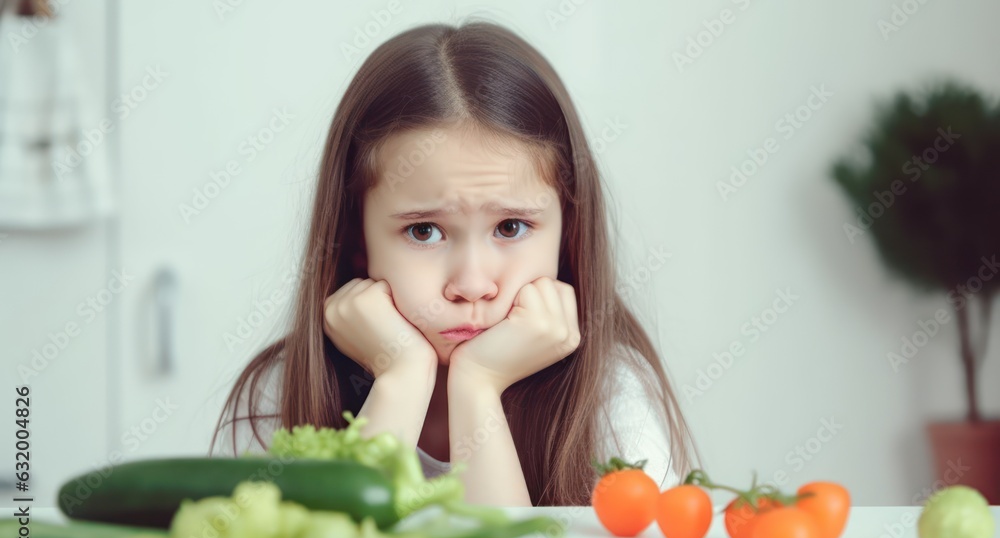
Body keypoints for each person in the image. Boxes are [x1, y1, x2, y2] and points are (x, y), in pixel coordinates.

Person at [209, 19, 703, 506]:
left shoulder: (611, 397)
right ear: (355, 239)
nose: (471, 285)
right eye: (424, 231)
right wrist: (399, 379)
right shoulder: (279, 395)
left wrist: (478, 387)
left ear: (567, 233)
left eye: (510, 227)